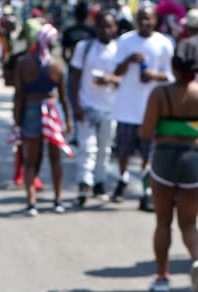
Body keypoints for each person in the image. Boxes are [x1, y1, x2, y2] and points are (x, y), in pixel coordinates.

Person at [141, 38, 198, 292]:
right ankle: (197, 262)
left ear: (174, 67)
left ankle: (162, 277)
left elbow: (145, 131)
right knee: (189, 223)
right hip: (194, 158)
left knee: (163, 221)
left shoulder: (160, 93)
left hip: (164, 157)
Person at [112, 6, 175, 211]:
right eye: (141, 19)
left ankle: (146, 190)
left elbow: (171, 76)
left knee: (149, 154)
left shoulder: (164, 43)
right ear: (135, 20)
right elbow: (115, 71)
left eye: (148, 19)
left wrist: (154, 76)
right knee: (124, 151)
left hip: (151, 109)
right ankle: (122, 179)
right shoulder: (125, 41)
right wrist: (129, 60)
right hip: (127, 108)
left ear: (155, 20)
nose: (145, 23)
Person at [15, 23, 73, 215]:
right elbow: (64, 96)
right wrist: (68, 120)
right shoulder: (57, 65)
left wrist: (17, 121)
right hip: (52, 109)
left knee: (30, 160)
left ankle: (31, 202)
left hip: (31, 109)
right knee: (55, 159)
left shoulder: (24, 63)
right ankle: (58, 200)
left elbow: (19, 96)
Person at [70, 11, 121, 207]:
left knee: (104, 149)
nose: (106, 30)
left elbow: (124, 79)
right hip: (87, 105)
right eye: (102, 26)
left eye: (109, 26)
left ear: (115, 28)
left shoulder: (119, 49)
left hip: (111, 108)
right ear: (96, 27)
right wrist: (76, 105)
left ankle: (100, 182)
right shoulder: (84, 48)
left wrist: (111, 80)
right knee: (87, 147)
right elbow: (74, 77)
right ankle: (84, 183)